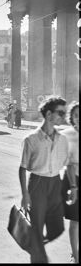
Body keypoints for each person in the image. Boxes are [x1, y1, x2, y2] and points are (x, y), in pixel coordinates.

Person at [19, 96, 69, 263]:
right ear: (48, 114)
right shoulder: (31, 139)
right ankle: (38, 252)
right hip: (37, 184)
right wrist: (25, 194)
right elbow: (23, 167)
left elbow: (66, 165)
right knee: (37, 227)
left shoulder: (63, 140)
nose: (64, 117)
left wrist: (72, 186)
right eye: (61, 113)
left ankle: (35, 245)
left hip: (56, 183)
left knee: (57, 227)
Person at [61, 101, 79, 263]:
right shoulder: (68, 135)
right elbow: (68, 164)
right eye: (76, 116)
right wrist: (73, 186)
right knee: (75, 221)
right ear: (71, 118)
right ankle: (76, 255)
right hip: (74, 181)